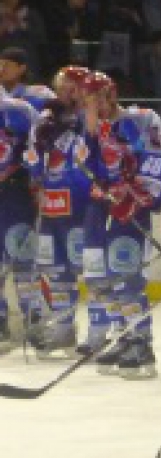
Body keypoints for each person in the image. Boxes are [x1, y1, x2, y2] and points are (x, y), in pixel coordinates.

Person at [80, 70, 161, 379]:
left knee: (126, 271)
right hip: (105, 207)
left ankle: (141, 342)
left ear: (112, 94)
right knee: (107, 275)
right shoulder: (94, 128)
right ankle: (123, 336)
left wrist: (135, 192)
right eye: (87, 101)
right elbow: (88, 168)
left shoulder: (143, 119)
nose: (92, 106)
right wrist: (90, 137)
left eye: (96, 99)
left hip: (132, 207)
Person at [23, 65, 94, 360]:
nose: (66, 92)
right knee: (57, 271)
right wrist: (36, 161)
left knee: (90, 268)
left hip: (80, 203)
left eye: (72, 86)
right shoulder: (46, 118)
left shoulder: (91, 116)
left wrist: (81, 121)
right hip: (52, 203)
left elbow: (97, 147)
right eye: (62, 86)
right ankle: (64, 328)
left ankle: (100, 331)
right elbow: (31, 157)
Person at [0, 90, 37, 353]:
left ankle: (32, 318)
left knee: (21, 257)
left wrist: (31, 177)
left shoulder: (20, 110)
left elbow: (40, 149)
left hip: (15, 193)